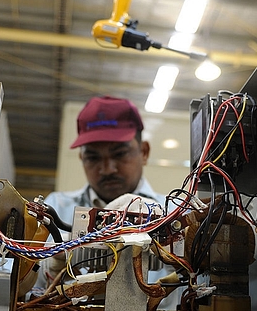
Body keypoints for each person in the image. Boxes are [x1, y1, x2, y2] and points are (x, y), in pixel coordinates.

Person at [43, 95, 166, 227]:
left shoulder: (174, 213)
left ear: (144, 152)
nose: (107, 169)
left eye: (120, 154)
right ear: (82, 158)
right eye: (93, 158)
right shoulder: (55, 209)